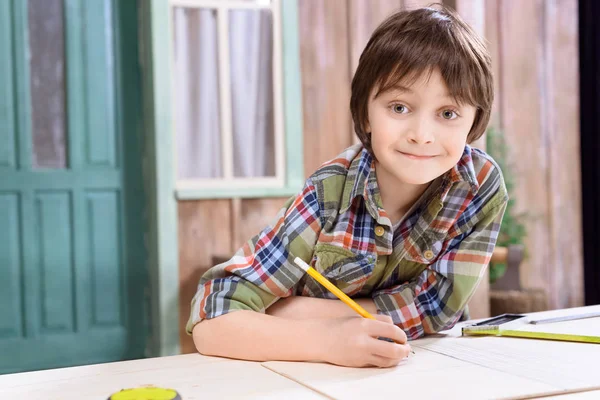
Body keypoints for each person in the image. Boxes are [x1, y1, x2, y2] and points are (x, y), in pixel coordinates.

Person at [186, 4, 508, 369]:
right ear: (365, 111)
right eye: (399, 107)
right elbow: (212, 317)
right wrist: (328, 340)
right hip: (302, 372)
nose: (421, 136)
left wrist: (292, 311)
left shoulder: (479, 184)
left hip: (425, 369)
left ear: (474, 121)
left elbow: (439, 310)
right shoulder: (330, 192)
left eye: (448, 114)